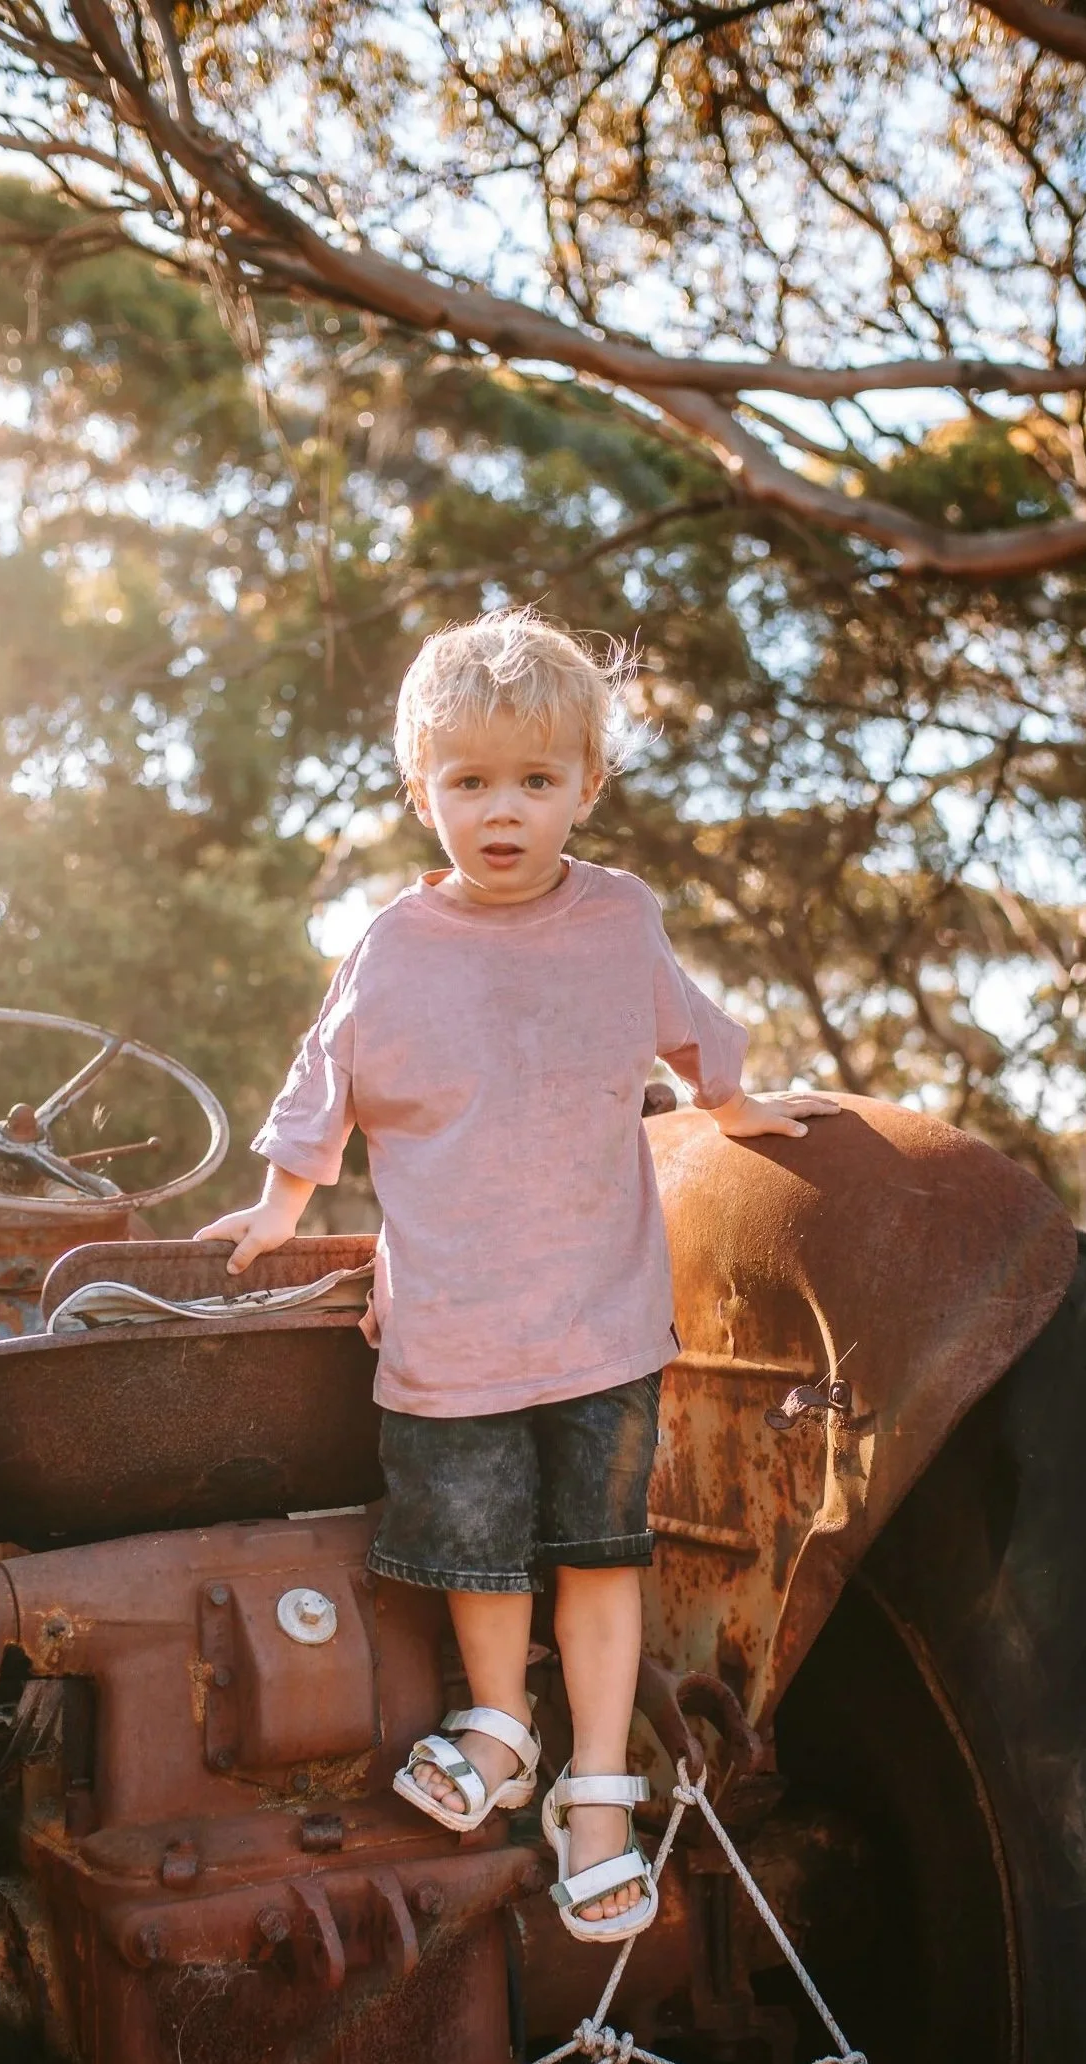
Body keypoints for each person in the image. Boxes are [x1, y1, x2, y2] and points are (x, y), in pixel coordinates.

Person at [199, 609, 836, 1940]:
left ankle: (597, 1788)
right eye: (470, 782)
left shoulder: (620, 919)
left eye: (536, 781)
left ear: (587, 790)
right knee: (480, 1556)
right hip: (452, 1330)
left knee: (601, 1559)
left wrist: (735, 1101)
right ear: (419, 788)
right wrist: (274, 1206)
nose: (503, 812)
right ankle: (500, 1729)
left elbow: (687, 1032)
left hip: (601, 1323)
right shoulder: (392, 948)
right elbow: (323, 1087)